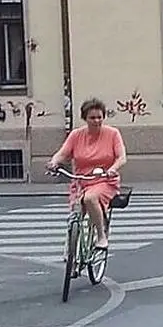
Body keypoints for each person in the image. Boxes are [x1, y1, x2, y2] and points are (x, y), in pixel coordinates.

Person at [46, 98, 126, 250]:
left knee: (90, 198)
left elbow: (122, 157)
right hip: (81, 181)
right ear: (85, 118)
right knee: (75, 215)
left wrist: (113, 169)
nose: (96, 121)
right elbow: (63, 153)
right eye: (92, 118)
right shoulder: (76, 135)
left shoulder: (113, 133)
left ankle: (101, 236)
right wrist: (54, 162)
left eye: (99, 117)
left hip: (104, 180)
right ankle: (71, 249)